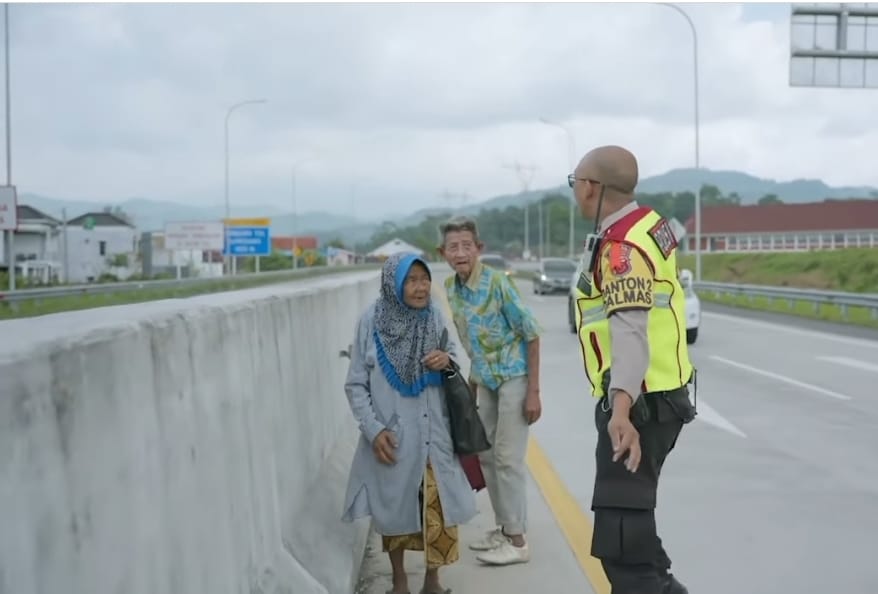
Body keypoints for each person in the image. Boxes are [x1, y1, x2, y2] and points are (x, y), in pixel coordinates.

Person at [569, 145, 697, 594]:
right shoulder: (647, 224)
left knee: (623, 548)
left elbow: (630, 330)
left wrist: (620, 411)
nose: (575, 192)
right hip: (662, 395)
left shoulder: (622, 247)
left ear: (590, 188)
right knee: (637, 538)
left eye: (575, 183)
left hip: (640, 406)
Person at [341, 252, 478, 594]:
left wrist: (445, 360)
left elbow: (456, 362)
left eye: (424, 279)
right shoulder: (370, 322)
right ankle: (399, 582)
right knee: (395, 511)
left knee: (437, 508)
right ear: (393, 283)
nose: (420, 288)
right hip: (394, 437)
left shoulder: (435, 317)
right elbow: (355, 384)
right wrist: (374, 430)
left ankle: (432, 582)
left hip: (435, 433)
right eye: (411, 280)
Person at [438, 216, 542, 567]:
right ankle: (504, 528)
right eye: (454, 247)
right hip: (484, 380)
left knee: (507, 458)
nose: (461, 252)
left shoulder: (498, 283)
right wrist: (469, 390)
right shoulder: (451, 289)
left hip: (514, 376)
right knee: (484, 454)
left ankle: (517, 540)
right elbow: (472, 343)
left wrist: (534, 392)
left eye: (467, 245)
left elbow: (531, 332)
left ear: (479, 249)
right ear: (444, 254)